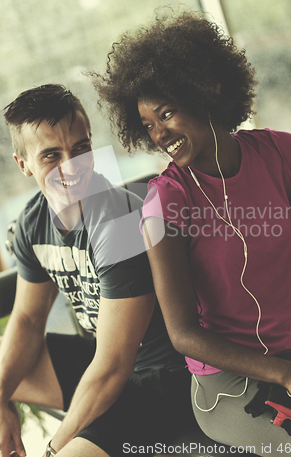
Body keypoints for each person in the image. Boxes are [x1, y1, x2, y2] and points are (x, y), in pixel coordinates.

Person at [93, 10, 291, 456]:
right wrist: (285, 376)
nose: (160, 133)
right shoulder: (166, 203)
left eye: (167, 113)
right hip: (229, 387)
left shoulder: (281, 154)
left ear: (205, 91)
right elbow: (183, 333)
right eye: (148, 125)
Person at [0, 84, 200, 457]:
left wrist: (53, 448)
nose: (70, 168)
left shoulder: (122, 222)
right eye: (50, 155)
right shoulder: (32, 222)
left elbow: (112, 366)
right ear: (23, 164)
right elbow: (27, 319)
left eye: (80, 149)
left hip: (163, 378)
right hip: (103, 361)